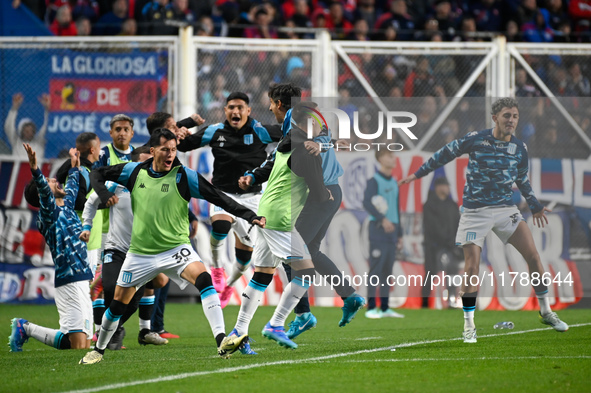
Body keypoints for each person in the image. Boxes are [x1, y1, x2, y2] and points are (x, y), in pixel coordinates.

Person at [79, 128, 265, 365]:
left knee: (204, 280)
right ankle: (98, 349)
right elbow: (97, 173)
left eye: (174, 150)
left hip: (176, 250)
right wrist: (104, 193)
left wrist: (249, 215)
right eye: (165, 149)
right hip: (140, 254)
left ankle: (222, 340)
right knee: (116, 305)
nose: (170, 154)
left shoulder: (184, 176)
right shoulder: (133, 171)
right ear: (153, 150)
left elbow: (220, 198)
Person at [399, 97, 569, 343]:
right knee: (471, 267)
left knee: (533, 255)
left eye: (515, 116)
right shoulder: (476, 138)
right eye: (506, 116)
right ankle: (469, 325)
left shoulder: (520, 148)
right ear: (495, 118)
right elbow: (445, 153)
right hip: (474, 212)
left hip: (505, 209)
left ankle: (546, 311)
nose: (511, 120)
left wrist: (535, 206)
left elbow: (522, 180)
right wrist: (417, 174)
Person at [241, 83, 365, 339]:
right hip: (325, 191)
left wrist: (323, 146)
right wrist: (256, 175)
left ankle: (302, 314)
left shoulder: (299, 117)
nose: (270, 108)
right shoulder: (300, 117)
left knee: (296, 252)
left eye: (271, 103)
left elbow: (318, 140)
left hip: (322, 191)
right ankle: (348, 296)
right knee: (309, 251)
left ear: (277, 103)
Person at [221, 102, 331, 353]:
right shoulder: (306, 150)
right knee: (306, 272)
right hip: (280, 217)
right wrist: (326, 195)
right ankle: (276, 323)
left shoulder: (287, 144)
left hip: (265, 213)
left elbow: (271, 169)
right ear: (309, 123)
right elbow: (317, 191)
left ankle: (239, 330)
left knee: (262, 275)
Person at [177, 92, 283, 302]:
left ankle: (229, 285)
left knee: (244, 259)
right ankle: (216, 269)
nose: (235, 111)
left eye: (240, 107)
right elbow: (182, 145)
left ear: (248, 111)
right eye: (231, 107)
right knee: (220, 227)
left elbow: (288, 134)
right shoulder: (215, 131)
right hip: (222, 195)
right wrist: (181, 130)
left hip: (252, 199)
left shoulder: (259, 131)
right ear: (225, 111)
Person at [81, 145, 169, 348]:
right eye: (145, 162)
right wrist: (87, 225)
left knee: (133, 300)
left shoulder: (161, 186)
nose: (150, 166)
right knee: (112, 288)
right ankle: (108, 331)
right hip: (116, 249)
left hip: (142, 254)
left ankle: (111, 330)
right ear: (133, 164)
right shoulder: (117, 184)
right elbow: (91, 202)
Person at [10, 144, 93, 352]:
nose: (55, 179)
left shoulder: (66, 204)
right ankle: (25, 328)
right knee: (78, 347)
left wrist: (75, 165)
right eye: (49, 181)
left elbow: (73, 186)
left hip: (82, 278)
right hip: (69, 281)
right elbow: (46, 194)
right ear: (42, 193)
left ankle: (25, 328)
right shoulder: (48, 215)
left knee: (82, 344)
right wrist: (36, 170)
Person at [362, 149, 404, 319]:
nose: (393, 159)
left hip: (392, 233)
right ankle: (371, 308)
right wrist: (382, 219)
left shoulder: (394, 182)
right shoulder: (374, 181)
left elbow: (396, 208)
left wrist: (400, 234)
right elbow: (366, 202)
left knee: (387, 270)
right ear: (380, 159)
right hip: (378, 230)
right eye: (389, 156)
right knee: (375, 270)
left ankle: (385, 308)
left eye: (393, 156)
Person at [421, 177, 461, 308]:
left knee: (452, 273)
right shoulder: (430, 205)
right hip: (433, 246)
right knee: (430, 273)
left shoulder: (452, 205)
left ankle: (452, 300)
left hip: (451, 246)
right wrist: (447, 241)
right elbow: (433, 227)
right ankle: (424, 303)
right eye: (444, 185)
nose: (446, 188)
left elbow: (458, 224)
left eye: (447, 186)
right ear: (438, 187)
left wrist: (456, 244)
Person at [3, 92, 50, 159]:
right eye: (26, 131)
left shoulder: (39, 142)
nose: (29, 133)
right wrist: (14, 108)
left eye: (31, 131)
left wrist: (47, 109)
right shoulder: (16, 143)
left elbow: (48, 127)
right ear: (21, 132)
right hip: (19, 169)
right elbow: (8, 127)